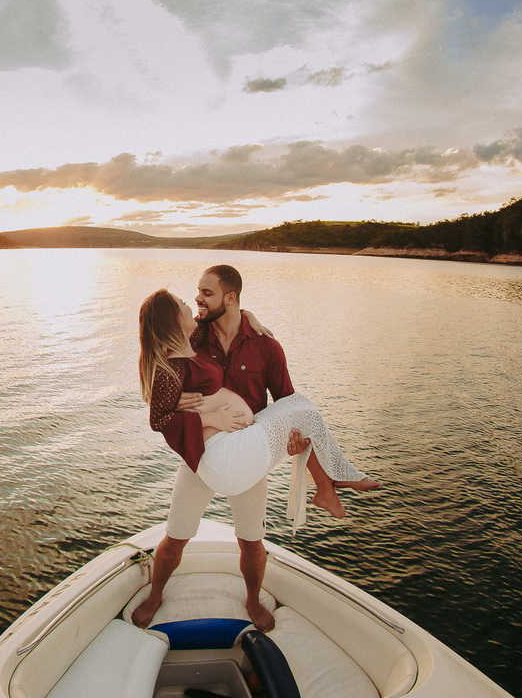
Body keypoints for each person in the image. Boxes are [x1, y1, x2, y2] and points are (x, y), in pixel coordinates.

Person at [131, 268, 379, 631]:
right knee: (176, 535)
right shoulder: (196, 335)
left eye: (207, 293)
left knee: (251, 540)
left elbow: (284, 401)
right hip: (201, 454)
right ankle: (155, 596)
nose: (197, 300)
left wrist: (297, 442)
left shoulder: (266, 346)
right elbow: (161, 376)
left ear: (231, 298)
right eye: (195, 294)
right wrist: (202, 415)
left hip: (247, 451)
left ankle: (251, 599)